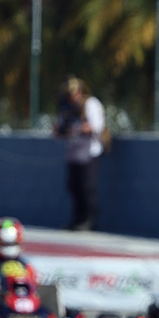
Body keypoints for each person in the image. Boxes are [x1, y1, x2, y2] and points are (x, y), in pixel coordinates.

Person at [53, 76, 105, 231]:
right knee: (73, 186)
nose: (71, 97)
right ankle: (77, 220)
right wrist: (62, 130)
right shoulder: (66, 108)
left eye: (73, 93)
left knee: (86, 187)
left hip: (90, 153)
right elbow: (57, 130)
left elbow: (96, 126)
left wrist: (76, 129)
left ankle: (89, 220)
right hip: (73, 153)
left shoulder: (90, 104)